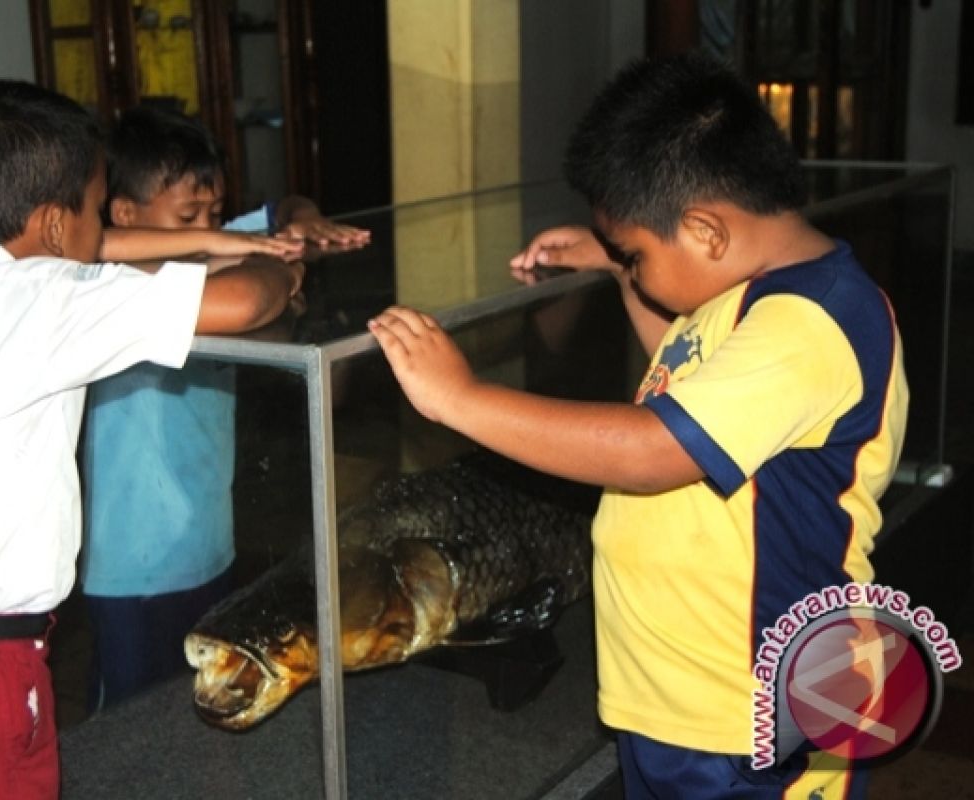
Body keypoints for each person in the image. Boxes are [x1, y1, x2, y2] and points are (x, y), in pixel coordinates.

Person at [368, 53, 908, 799]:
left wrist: (458, 396)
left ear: (705, 231)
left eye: (638, 250)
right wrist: (624, 266)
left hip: (756, 713)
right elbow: (686, 371)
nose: (634, 266)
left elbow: (654, 449)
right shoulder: (746, 292)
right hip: (680, 701)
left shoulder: (811, 325)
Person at [0, 79, 304, 799]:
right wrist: (274, 262)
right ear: (50, 228)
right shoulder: (40, 303)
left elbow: (93, 246)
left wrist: (210, 238)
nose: (100, 232)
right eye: (92, 208)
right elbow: (245, 301)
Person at [79, 104, 370, 712]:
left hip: (210, 544)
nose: (210, 227)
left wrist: (305, 219)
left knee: (197, 710)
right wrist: (268, 267)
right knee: (127, 728)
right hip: (134, 568)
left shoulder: (214, 246)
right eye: (189, 218)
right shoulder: (108, 283)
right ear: (125, 214)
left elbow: (283, 211)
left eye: (213, 214)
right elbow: (245, 288)